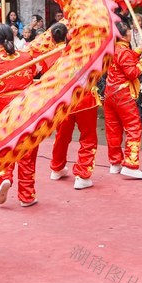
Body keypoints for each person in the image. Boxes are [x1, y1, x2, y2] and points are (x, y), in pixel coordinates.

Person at [0, 24, 42, 205]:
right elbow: (32, 75)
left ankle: (5, 176)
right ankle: (27, 195)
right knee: (27, 153)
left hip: (3, 112)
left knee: (6, 147)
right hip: (26, 110)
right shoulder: (26, 58)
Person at [44, 23, 102, 190]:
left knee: (62, 135)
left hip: (61, 102)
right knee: (88, 137)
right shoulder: (81, 51)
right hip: (83, 100)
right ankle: (82, 174)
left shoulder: (50, 56)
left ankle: (57, 167)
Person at [103, 16, 142, 178]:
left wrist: (141, 49)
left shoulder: (113, 49)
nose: (131, 33)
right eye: (129, 31)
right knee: (133, 128)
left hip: (110, 93)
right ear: (124, 35)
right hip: (123, 95)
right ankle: (131, 163)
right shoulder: (123, 51)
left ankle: (115, 162)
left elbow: (126, 59)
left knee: (113, 129)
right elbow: (132, 72)